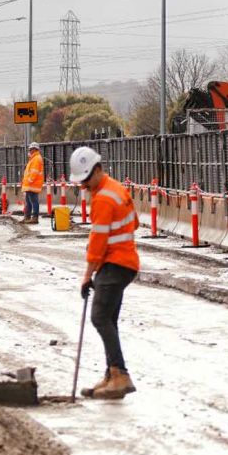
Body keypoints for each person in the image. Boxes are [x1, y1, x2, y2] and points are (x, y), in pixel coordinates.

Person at [70, 145, 139, 400]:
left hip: (114, 264)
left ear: (97, 170)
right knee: (109, 319)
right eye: (82, 183)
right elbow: (135, 222)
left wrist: (88, 275)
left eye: (87, 180)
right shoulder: (117, 189)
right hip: (126, 263)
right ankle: (112, 374)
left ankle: (120, 374)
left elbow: (98, 243)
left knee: (99, 317)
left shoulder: (103, 198)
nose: (85, 187)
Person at [21, 142, 44, 224]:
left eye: (30, 149)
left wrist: (30, 180)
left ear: (35, 149)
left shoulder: (36, 158)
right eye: (29, 149)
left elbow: (34, 172)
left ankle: (35, 217)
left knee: (33, 201)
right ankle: (27, 217)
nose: (29, 151)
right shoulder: (33, 158)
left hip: (32, 184)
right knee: (29, 201)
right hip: (30, 185)